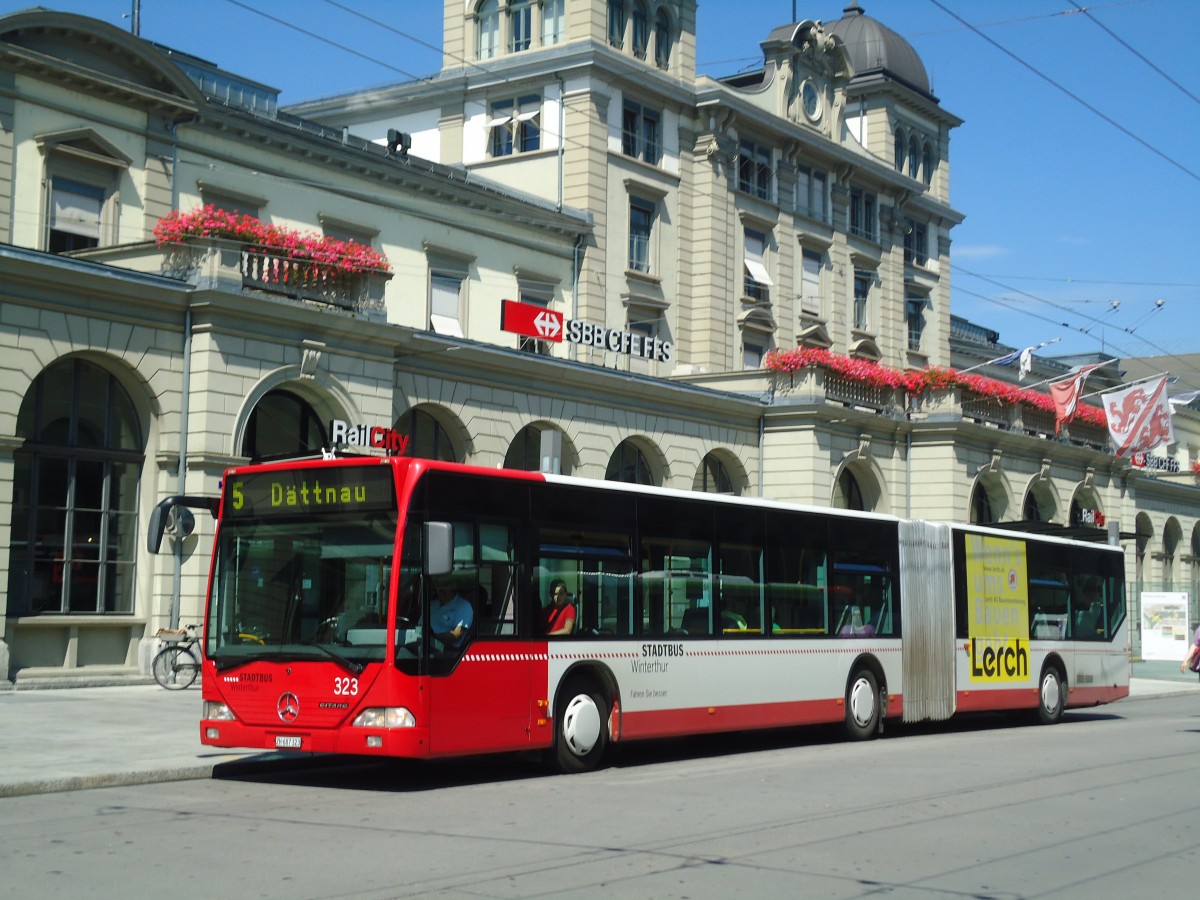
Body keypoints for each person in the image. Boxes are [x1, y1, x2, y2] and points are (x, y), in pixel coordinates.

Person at [430, 579, 474, 649]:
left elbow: (456, 634)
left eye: (444, 585)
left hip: (447, 652)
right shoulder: (431, 605)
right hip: (422, 648)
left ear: (453, 586)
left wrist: (431, 638)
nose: (440, 589)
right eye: (438, 585)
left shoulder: (464, 606)